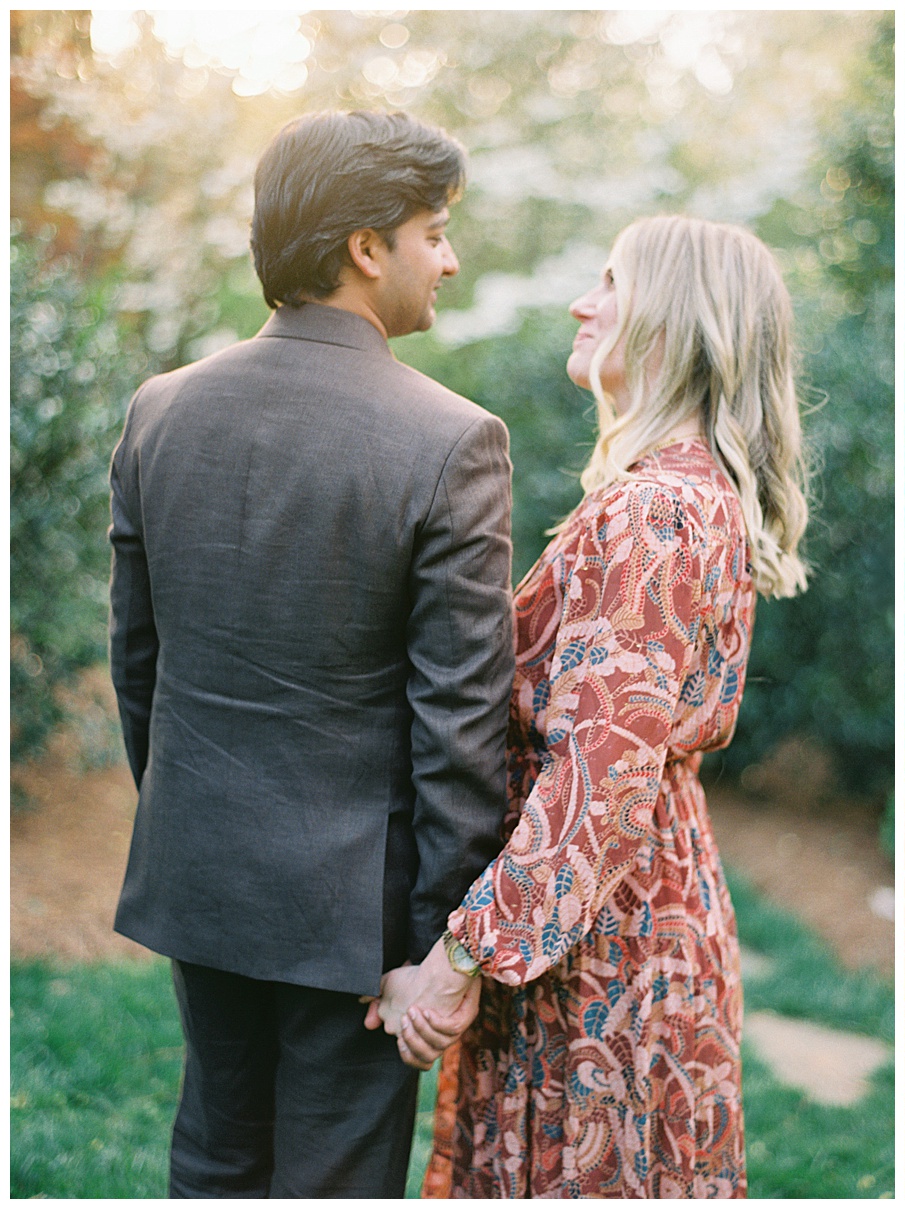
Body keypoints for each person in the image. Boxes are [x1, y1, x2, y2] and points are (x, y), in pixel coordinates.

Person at [107, 110, 514, 1197]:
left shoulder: (159, 411)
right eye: (434, 230)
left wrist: (197, 828)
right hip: (360, 920)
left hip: (201, 876)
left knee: (214, 1155)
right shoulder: (451, 442)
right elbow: (459, 729)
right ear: (365, 249)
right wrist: (435, 946)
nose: (450, 256)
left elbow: (138, 671)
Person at [368, 215, 810, 1197]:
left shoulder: (654, 509)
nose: (583, 302)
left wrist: (460, 959)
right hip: (634, 915)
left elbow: (599, 783)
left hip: (602, 957)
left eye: (611, 282)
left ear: (673, 321)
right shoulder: (687, 492)